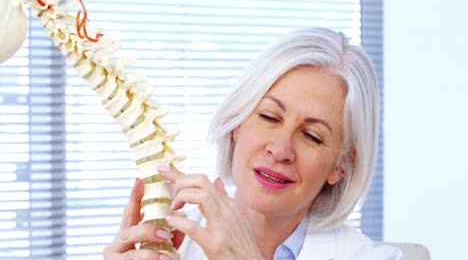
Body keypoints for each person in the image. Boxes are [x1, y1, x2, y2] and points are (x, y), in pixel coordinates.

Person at [103, 27, 403, 260]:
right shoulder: (166, 241)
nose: (280, 149)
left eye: (312, 136)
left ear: (340, 166)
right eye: (270, 117)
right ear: (237, 124)